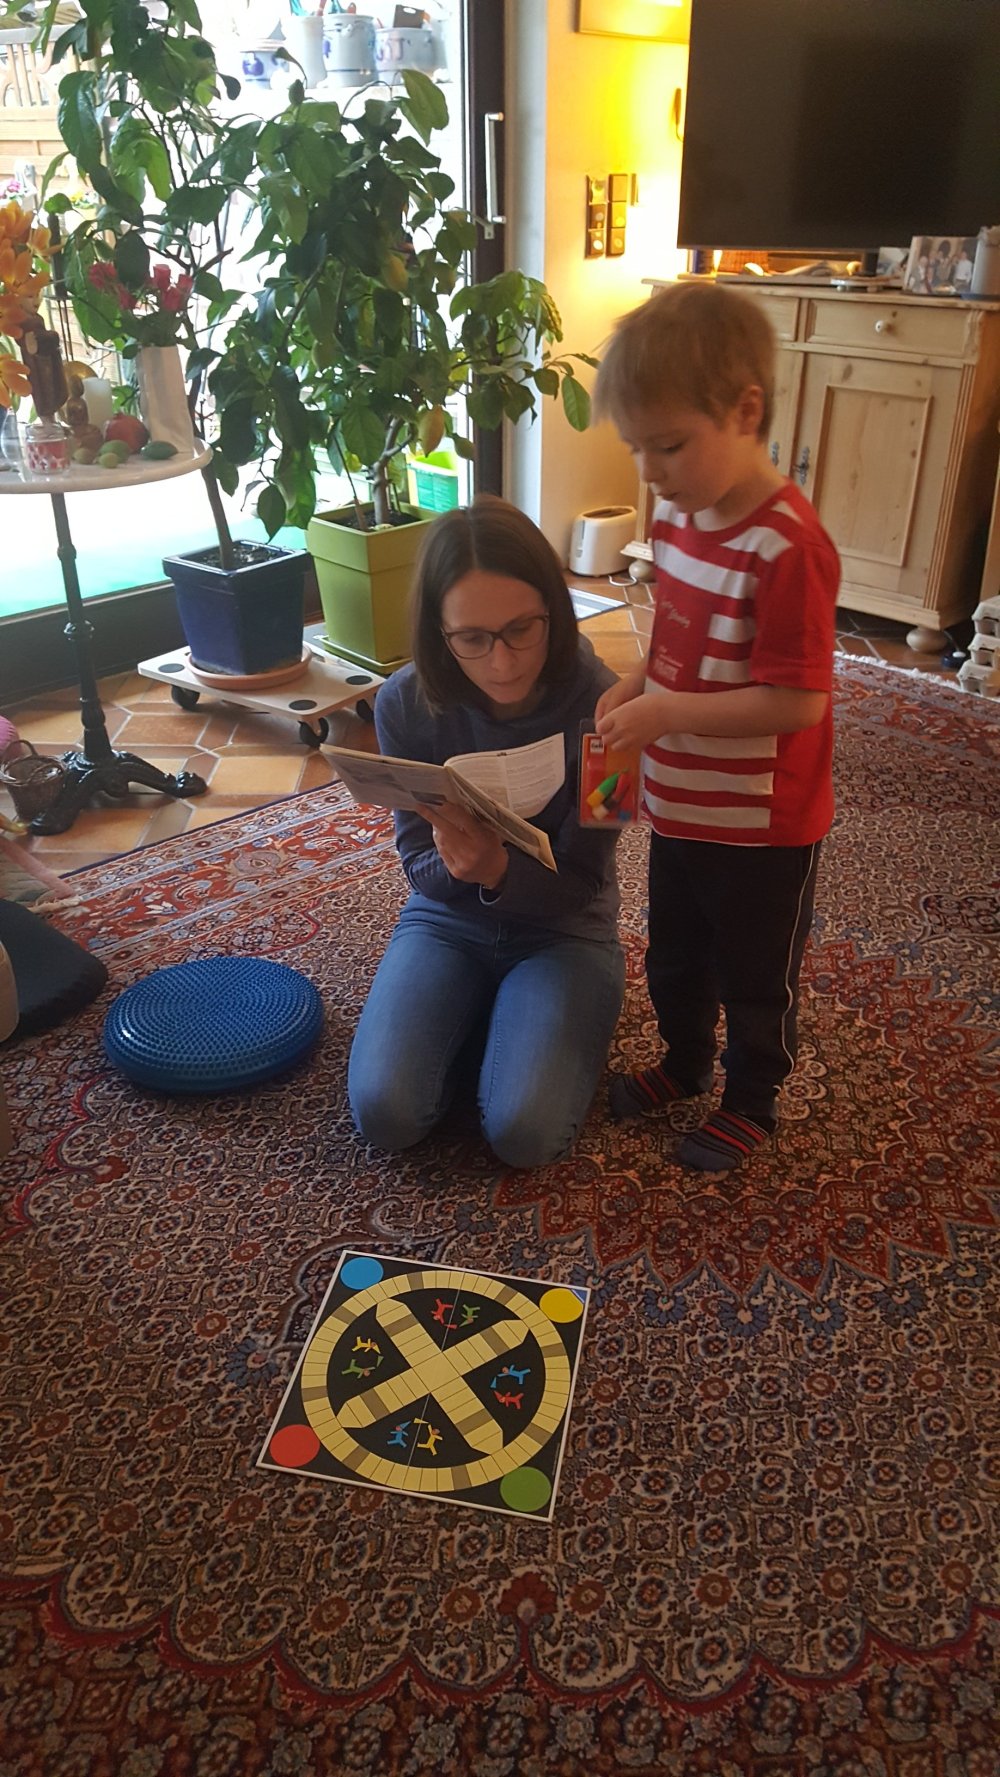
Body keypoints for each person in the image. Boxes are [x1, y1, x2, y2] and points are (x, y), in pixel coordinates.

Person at [591, 282, 840, 1173]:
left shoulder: (787, 547)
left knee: (755, 972)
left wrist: (667, 712)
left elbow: (798, 701)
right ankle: (686, 1060)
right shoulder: (679, 517)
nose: (651, 471)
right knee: (676, 953)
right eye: (636, 447)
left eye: (669, 445)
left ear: (746, 411)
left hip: (764, 825)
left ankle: (752, 1097)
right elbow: (677, 633)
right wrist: (637, 681)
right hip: (681, 804)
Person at [347, 497, 626, 1169]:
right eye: (471, 638)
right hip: (447, 920)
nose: (502, 663)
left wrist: (500, 870)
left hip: (568, 931)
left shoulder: (610, 706)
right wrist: (462, 867)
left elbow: (585, 880)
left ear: (554, 611)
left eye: (521, 629)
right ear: (437, 632)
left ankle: (504, 1022)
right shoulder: (404, 702)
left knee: (526, 1134)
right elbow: (417, 868)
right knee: (386, 1113)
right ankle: (489, 1019)